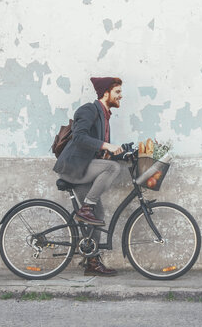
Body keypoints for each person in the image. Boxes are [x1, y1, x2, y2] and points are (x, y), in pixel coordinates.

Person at [53, 77, 125, 276]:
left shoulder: (105, 116)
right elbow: (80, 136)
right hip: (74, 168)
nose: (121, 96)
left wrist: (118, 151)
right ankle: (86, 208)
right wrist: (106, 145)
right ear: (106, 93)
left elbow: (94, 148)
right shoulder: (89, 110)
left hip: (84, 168)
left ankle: (92, 262)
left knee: (98, 215)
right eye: (117, 92)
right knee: (111, 169)